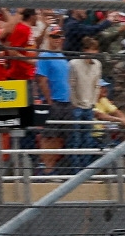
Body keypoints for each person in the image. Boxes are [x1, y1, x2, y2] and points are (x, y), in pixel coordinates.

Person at [35, 27, 73, 173]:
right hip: (54, 101)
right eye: (54, 37)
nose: (57, 39)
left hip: (65, 101)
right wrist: (49, 100)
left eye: (59, 37)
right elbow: (42, 80)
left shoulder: (62, 57)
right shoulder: (45, 56)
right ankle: (46, 168)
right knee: (49, 136)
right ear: (49, 38)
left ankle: (51, 167)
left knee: (60, 137)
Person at [68, 36, 103, 167]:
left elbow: (97, 85)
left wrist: (93, 102)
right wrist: (74, 103)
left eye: (95, 49)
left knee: (87, 140)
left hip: (89, 106)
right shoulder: (74, 64)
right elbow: (71, 85)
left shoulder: (98, 64)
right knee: (76, 140)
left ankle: (86, 168)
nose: (93, 52)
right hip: (76, 106)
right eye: (90, 49)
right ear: (85, 49)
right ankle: (76, 169)